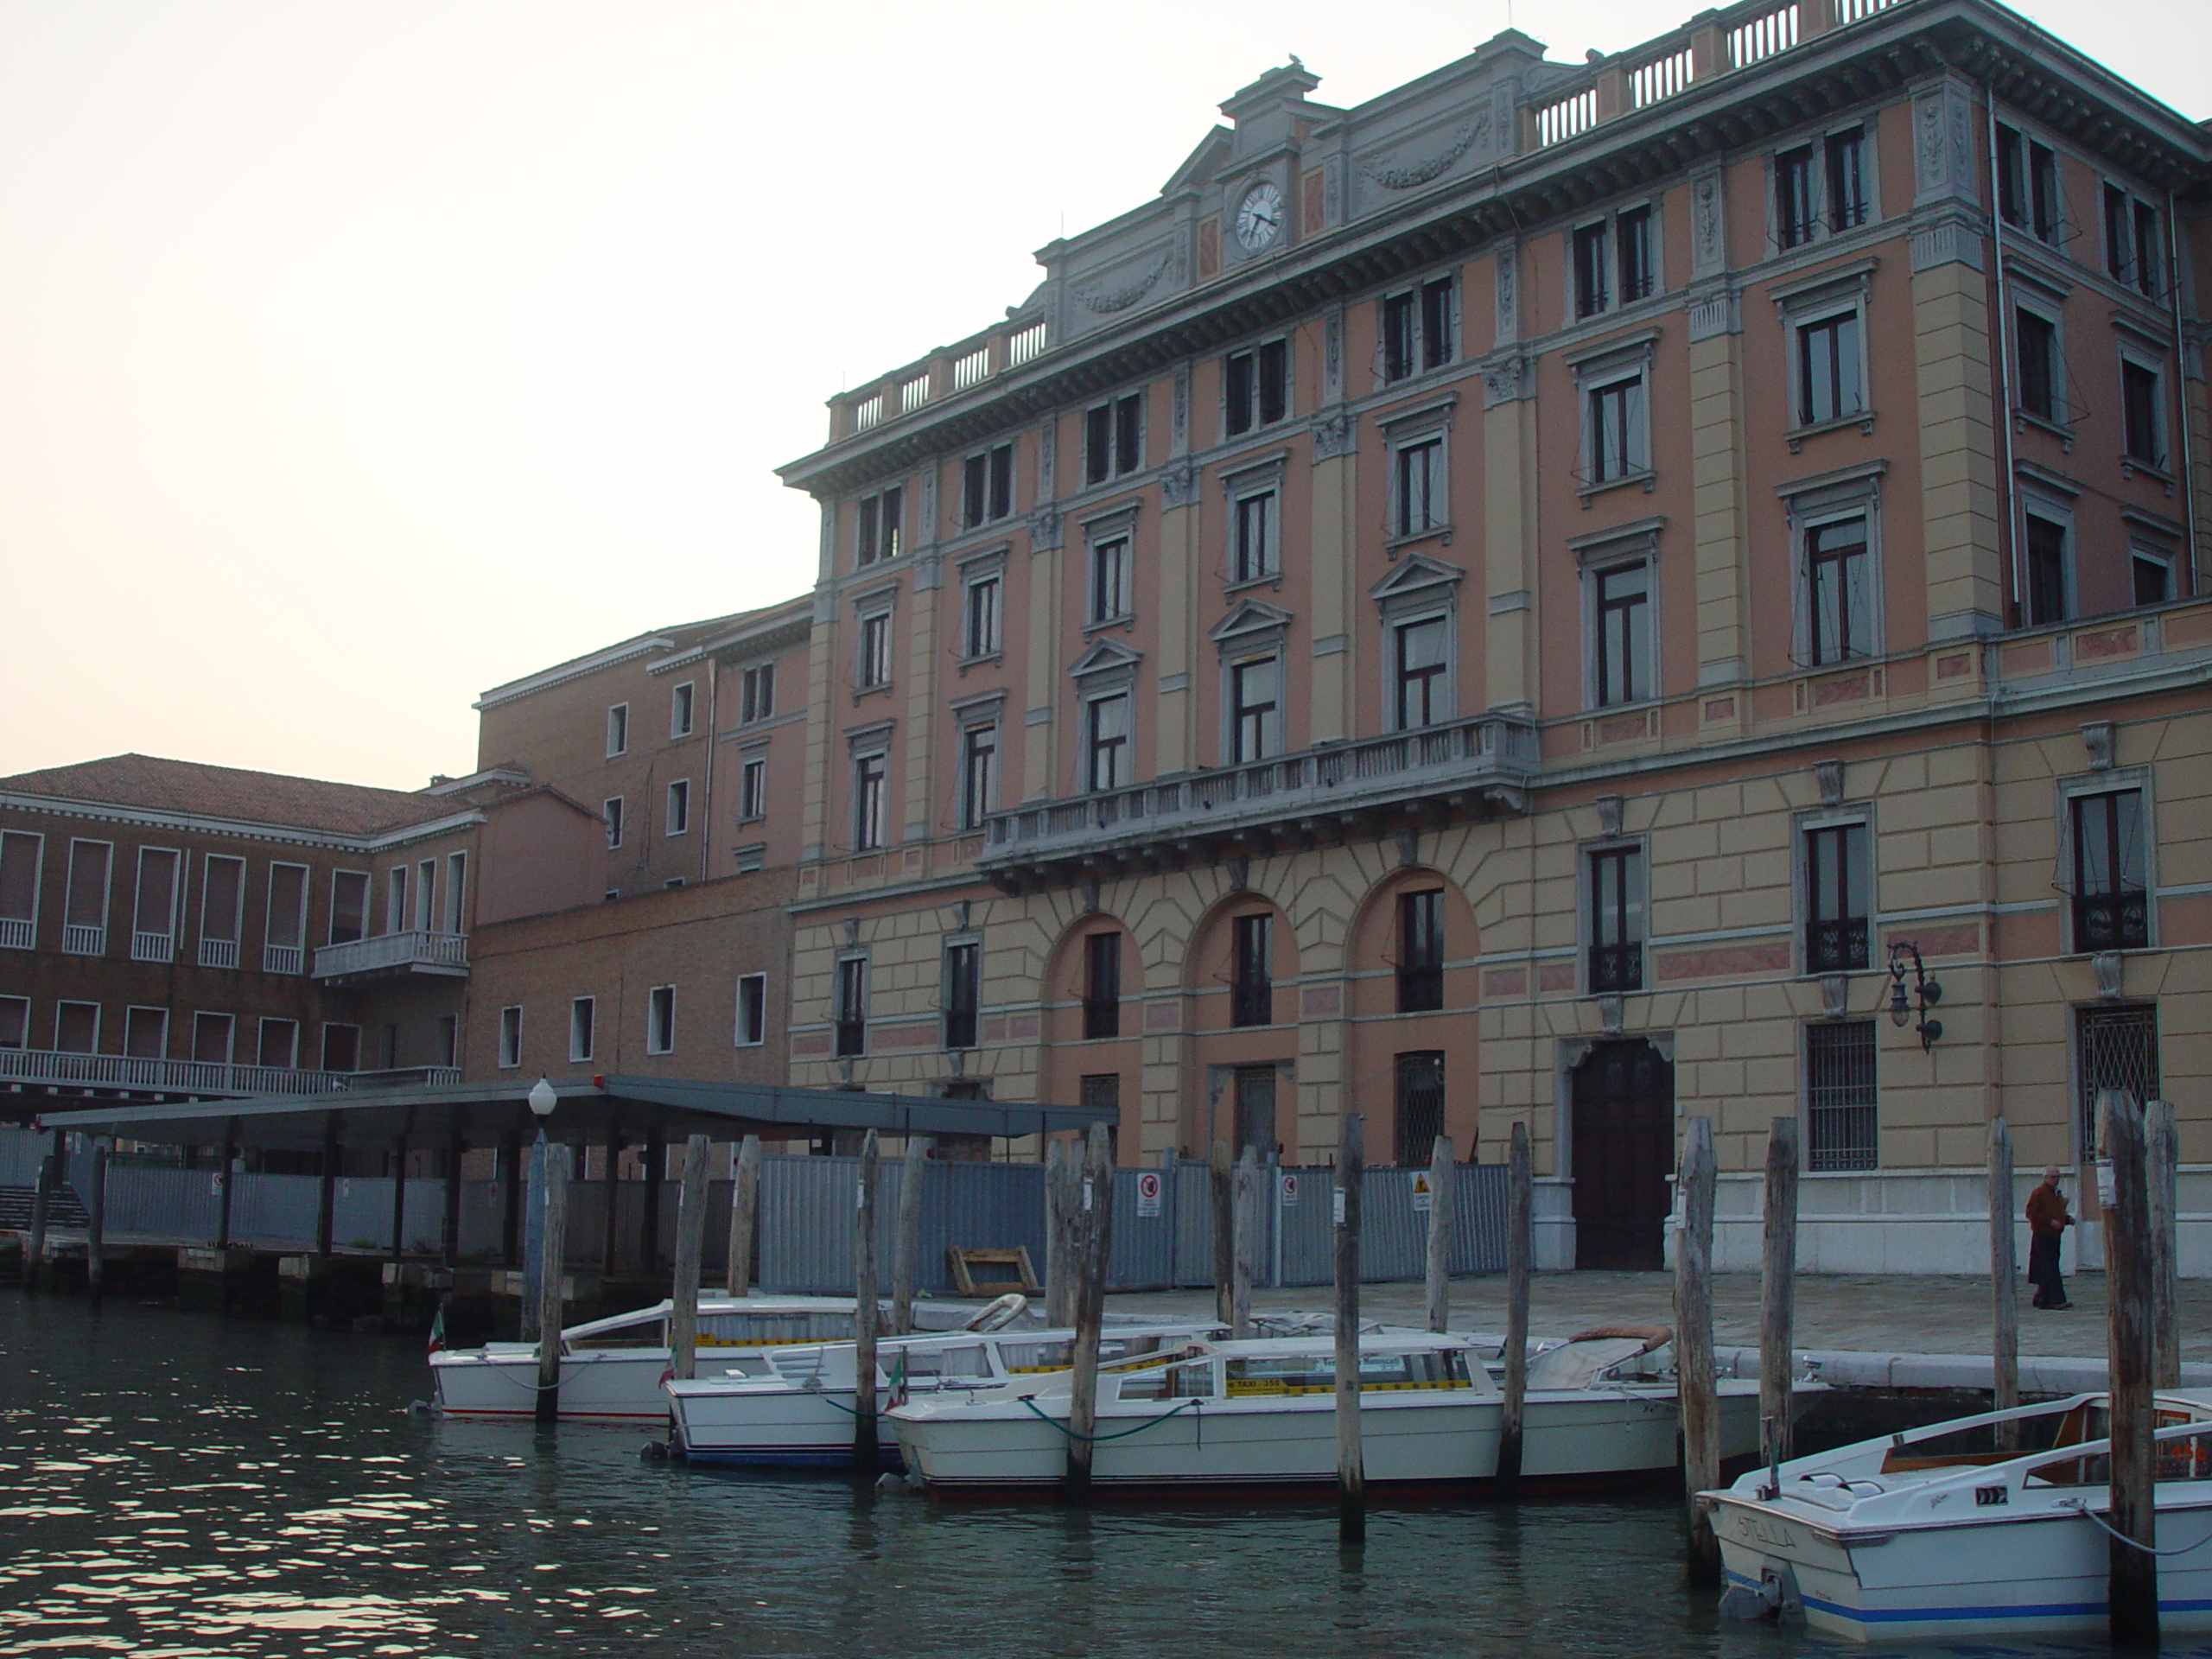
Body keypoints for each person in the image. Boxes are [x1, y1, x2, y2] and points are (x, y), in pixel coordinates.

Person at [2025, 1165, 2074, 1310]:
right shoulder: (2039, 1193)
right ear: (2046, 1178)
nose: (2056, 1180)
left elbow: (2057, 1212)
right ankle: (2057, 1299)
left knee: (2049, 1268)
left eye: (2058, 1177)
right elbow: (2031, 1213)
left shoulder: (2056, 1194)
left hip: (2054, 1235)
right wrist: (2050, 1222)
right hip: (2043, 1235)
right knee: (2050, 1268)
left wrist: (2066, 1219)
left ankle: (2042, 1299)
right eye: (2053, 1177)